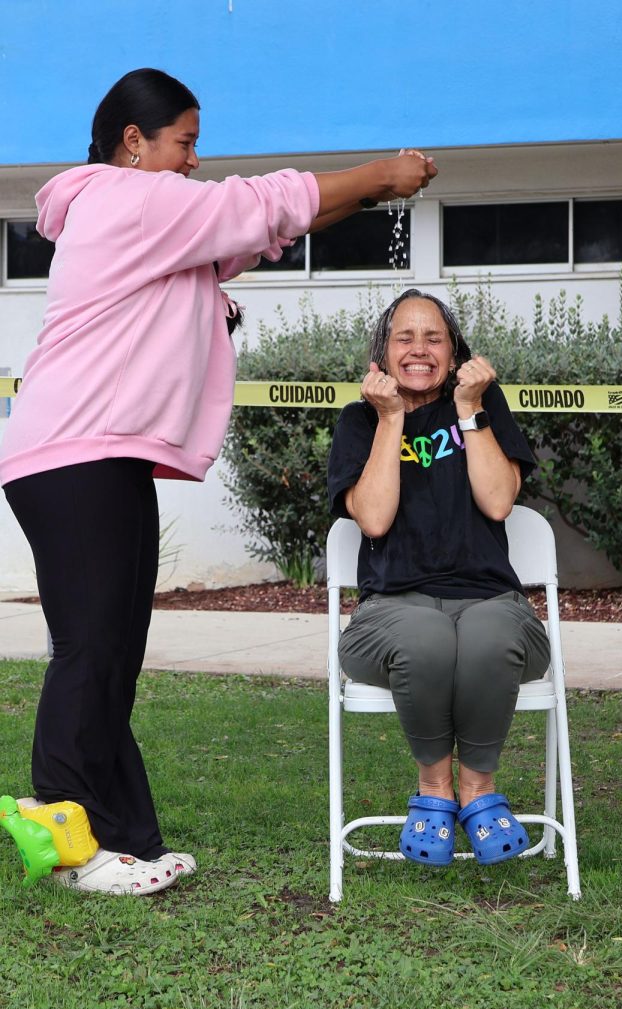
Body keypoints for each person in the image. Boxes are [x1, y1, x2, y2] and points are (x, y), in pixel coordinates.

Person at [0, 68, 437, 895]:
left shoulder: (149, 215)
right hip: (71, 454)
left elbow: (262, 234)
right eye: (186, 142)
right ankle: (62, 837)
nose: (195, 159)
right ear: (136, 141)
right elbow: (262, 202)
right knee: (90, 651)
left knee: (113, 654)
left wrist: (375, 199)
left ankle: (122, 836)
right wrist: (381, 173)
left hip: (102, 453)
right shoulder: (125, 199)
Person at [327, 289, 550, 868]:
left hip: (490, 598)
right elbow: (373, 517)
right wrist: (391, 418)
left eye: (434, 338)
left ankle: (478, 789)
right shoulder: (359, 422)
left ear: (454, 353)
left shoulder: (484, 404)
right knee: (427, 638)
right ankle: (434, 789)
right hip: (389, 608)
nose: (419, 349)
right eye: (405, 337)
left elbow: (499, 502)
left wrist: (470, 410)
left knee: (486, 637)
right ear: (383, 350)